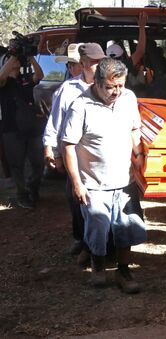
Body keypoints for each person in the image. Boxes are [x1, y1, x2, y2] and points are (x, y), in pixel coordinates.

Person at [61, 57, 147, 294]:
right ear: (97, 83)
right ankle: (97, 265)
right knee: (97, 227)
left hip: (124, 180)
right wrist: (77, 183)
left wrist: (138, 156)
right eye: (110, 87)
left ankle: (123, 270)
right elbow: (68, 146)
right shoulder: (80, 106)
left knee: (127, 226)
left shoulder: (128, 98)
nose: (116, 92)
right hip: (93, 183)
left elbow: (134, 128)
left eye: (120, 85)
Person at [43, 43, 106, 258]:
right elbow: (56, 122)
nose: (99, 66)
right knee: (77, 199)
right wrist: (51, 149)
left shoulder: (112, 88)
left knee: (100, 205)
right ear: (84, 64)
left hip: (101, 158)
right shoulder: (68, 90)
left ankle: (100, 246)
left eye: (101, 61)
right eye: (95, 62)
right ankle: (83, 241)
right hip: (76, 158)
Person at [0, 51, 44, 209]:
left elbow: (40, 76)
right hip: (12, 129)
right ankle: (22, 194)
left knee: (38, 162)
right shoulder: (5, 82)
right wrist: (12, 56)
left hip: (32, 128)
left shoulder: (25, 78)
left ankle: (33, 187)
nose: (17, 61)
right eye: (13, 60)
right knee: (16, 165)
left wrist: (31, 56)